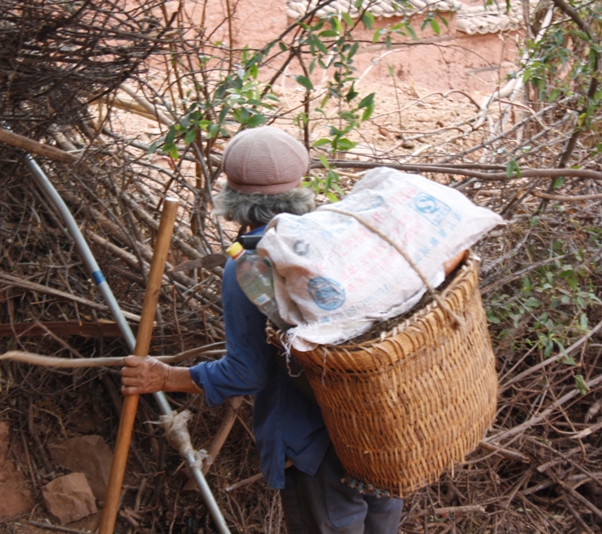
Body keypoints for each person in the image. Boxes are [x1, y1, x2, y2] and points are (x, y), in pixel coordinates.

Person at [121, 126, 404, 533]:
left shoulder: (249, 265)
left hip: (315, 447)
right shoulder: (338, 238)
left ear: (231, 199)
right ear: (301, 187)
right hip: (378, 433)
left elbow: (246, 372)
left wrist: (165, 377)